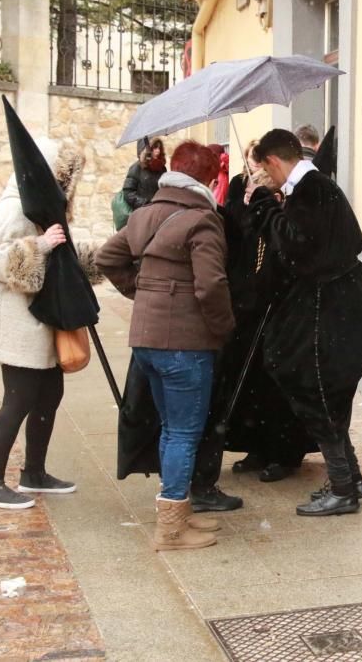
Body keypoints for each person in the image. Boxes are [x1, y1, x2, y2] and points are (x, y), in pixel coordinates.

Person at [97, 141, 235, 551]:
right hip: (185, 344)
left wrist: (143, 292)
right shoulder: (202, 221)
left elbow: (107, 257)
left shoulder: (144, 215)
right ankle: (172, 530)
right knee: (183, 433)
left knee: (171, 429)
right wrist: (224, 328)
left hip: (146, 340)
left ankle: (178, 514)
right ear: (207, 180)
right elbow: (211, 284)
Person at [245, 129, 362, 517]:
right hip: (333, 303)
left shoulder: (312, 189)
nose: (262, 179)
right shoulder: (315, 189)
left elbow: (296, 246)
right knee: (325, 391)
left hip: (328, 308)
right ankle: (349, 478)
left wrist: (266, 208)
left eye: (262, 171)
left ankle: (342, 487)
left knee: (316, 387)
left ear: (272, 161)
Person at [201, 140, 314, 490]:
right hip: (246, 315)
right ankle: (255, 447)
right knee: (246, 386)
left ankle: (282, 452)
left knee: (275, 388)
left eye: (259, 191)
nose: (252, 195)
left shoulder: (285, 218)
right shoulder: (248, 218)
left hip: (278, 315)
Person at [0, 139, 98, 510]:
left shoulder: (42, 206)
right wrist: (39, 246)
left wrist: (83, 259)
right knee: (18, 400)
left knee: (50, 395)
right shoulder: (12, 209)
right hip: (18, 321)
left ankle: (34, 472)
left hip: (44, 318)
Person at [122, 137, 167, 210]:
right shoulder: (136, 168)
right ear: (147, 150)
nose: (158, 151)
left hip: (157, 211)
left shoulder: (162, 169)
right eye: (154, 148)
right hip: (141, 212)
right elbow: (128, 193)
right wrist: (146, 203)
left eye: (159, 148)